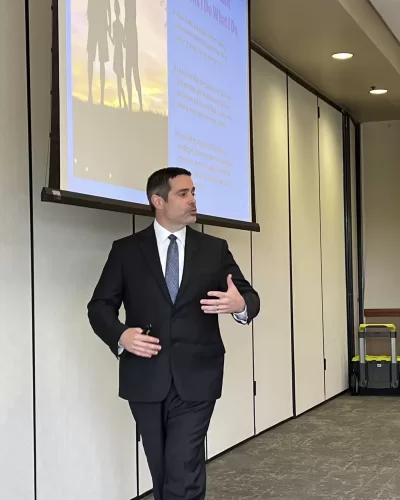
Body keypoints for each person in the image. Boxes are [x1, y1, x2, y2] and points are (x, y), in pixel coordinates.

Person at [87, 167, 260, 500]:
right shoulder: (126, 251)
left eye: (194, 192)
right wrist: (122, 336)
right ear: (158, 201)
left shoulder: (214, 249)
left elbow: (249, 298)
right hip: (145, 375)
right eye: (184, 193)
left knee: (183, 465)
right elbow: (99, 308)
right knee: (164, 468)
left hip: (198, 374)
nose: (193, 199)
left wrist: (240, 305)